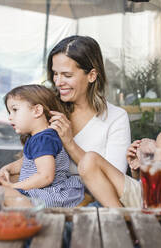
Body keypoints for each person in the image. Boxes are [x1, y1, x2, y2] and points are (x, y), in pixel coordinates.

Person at [0, 84, 85, 208]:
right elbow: (29, 162)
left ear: (37, 111)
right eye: (9, 112)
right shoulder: (40, 137)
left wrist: (12, 187)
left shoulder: (44, 139)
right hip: (42, 193)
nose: (9, 117)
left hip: (50, 196)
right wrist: (7, 169)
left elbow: (45, 176)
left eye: (15, 110)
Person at [47, 35, 131, 177]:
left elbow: (116, 179)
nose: (58, 82)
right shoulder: (50, 109)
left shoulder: (116, 117)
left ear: (92, 75)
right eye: (55, 74)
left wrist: (70, 143)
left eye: (67, 75)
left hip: (93, 197)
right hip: (48, 195)